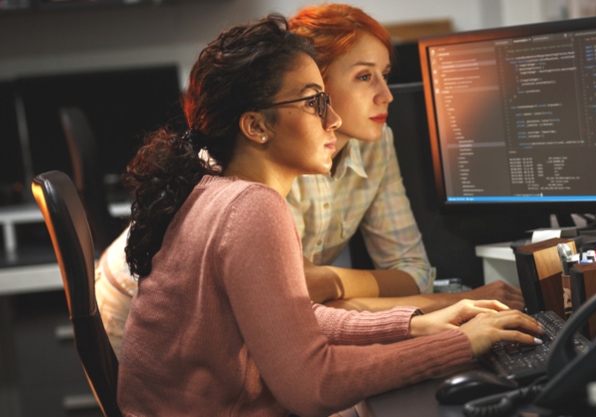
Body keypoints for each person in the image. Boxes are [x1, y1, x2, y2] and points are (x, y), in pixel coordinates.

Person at [116, 14, 542, 417]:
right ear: (256, 127)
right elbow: (311, 386)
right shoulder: (252, 208)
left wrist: (417, 325)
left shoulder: (218, 192)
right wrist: (460, 346)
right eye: (314, 102)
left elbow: (289, 319)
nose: (334, 118)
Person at [286, 3, 524, 312]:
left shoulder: (376, 143)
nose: (386, 95)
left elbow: (414, 271)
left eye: (383, 75)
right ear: (314, 85)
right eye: (363, 76)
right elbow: (292, 293)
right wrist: (453, 302)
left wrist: (334, 283)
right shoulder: (279, 156)